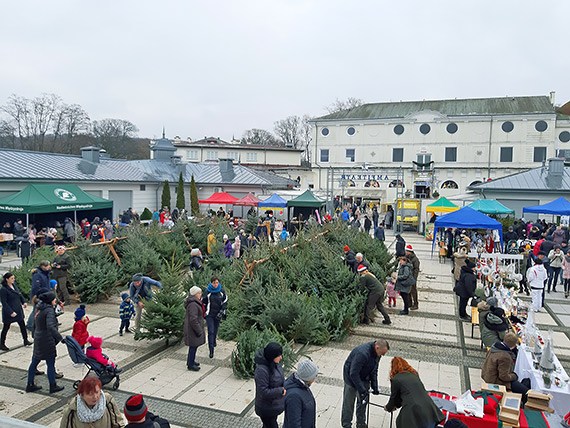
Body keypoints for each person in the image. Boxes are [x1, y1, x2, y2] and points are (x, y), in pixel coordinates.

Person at [341, 339, 389, 428]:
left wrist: (375, 386)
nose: (382, 355)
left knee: (363, 403)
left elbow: (374, 370)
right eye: (382, 353)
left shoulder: (377, 354)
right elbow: (353, 373)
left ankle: (361, 423)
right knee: (348, 403)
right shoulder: (362, 353)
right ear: (377, 347)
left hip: (364, 377)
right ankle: (346, 425)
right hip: (351, 379)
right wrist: (361, 389)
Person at [384, 357, 444, 428]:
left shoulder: (395, 379)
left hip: (413, 409)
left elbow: (394, 398)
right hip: (428, 405)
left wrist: (388, 408)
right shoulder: (414, 374)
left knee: (403, 422)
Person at [26, 291, 64, 393]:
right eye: (54, 299)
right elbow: (51, 327)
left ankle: (30, 384)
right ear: (50, 300)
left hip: (38, 338)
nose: (55, 300)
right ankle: (53, 385)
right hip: (46, 339)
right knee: (50, 363)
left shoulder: (38, 308)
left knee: (34, 362)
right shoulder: (49, 311)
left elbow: (35, 323)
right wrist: (60, 338)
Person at [59, 376, 124, 428]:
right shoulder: (71, 412)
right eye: (90, 394)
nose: (95, 397)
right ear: (82, 395)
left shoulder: (108, 401)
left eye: (97, 392)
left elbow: (119, 423)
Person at [481, 332, 530, 398]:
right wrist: (514, 376)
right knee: (526, 391)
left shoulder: (494, 347)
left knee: (524, 383)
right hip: (495, 381)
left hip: (487, 375)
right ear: (514, 345)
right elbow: (503, 376)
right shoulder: (505, 356)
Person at [254, 342, 286, 428]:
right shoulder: (261, 370)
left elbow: (280, 378)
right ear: (272, 356)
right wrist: (281, 390)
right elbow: (263, 391)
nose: (281, 357)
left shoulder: (275, 364)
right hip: (266, 408)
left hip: (274, 405)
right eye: (278, 356)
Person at [1, 272, 32, 351]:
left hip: (17, 309)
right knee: (6, 327)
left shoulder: (14, 286)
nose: (13, 280)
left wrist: (24, 302)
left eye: (13, 278)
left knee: (22, 325)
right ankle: (1, 343)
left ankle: (25, 340)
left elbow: (19, 294)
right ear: (7, 279)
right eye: (11, 278)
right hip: (9, 311)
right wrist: (10, 312)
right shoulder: (3, 289)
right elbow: (4, 302)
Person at [283, 359, 319, 428]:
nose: (315, 377)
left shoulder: (302, 386)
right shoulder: (294, 397)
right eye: (315, 375)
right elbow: (294, 424)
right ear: (308, 378)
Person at [202, 276, 228, 359]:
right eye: (214, 283)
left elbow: (225, 301)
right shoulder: (207, 292)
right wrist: (204, 313)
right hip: (210, 314)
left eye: (217, 283)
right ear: (211, 283)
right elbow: (203, 302)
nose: (216, 284)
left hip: (218, 314)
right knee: (211, 331)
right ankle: (211, 350)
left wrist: (222, 311)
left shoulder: (221, 291)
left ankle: (214, 340)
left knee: (216, 329)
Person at [27, 260, 52, 331]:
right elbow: (36, 287)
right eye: (47, 266)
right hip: (39, 295)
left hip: (45, 294)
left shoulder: (45, 273)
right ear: (43, 266)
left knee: (39, 309)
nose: (49, 267)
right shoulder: (37, 274)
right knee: (36, 309)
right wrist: (36, 296)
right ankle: (30, 325)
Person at [184, 286, 205, 371]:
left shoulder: (195, 302)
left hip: (192, 328)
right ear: (195, 294)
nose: (200, 295)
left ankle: (191, 361)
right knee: (193, 346)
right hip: (192, 329)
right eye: (199, 293)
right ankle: (190, 364)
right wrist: (199, 330)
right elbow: (193, 319)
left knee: (194, 346)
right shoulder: (193, 304)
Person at [405, 244, 421, 310]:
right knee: (408, 291)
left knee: (413, 292)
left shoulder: (415, 259)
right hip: (408, 277)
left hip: (412, 278)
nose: (405, 252)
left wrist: (414, 278)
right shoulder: (407, 257)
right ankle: (409, 303)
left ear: (409, 251)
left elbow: (416, 269)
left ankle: (415, 304)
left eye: (406, 251)